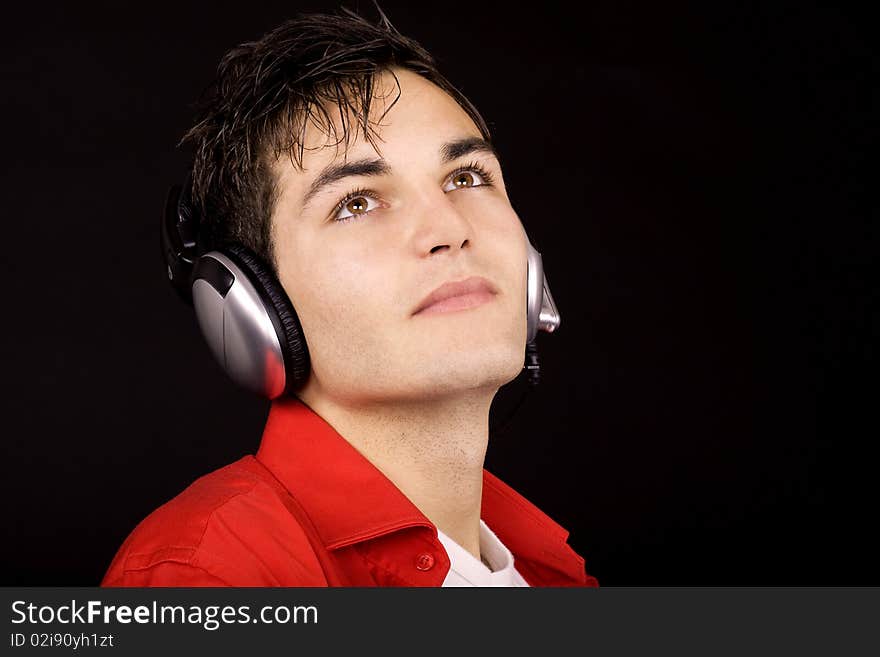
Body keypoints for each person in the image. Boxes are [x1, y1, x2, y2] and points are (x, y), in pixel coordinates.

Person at [102, 5, 598, 587]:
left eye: (466, 177)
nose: (448, 229)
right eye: (357, 202)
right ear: (252, 308)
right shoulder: (210, 575)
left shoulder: (551, 569)